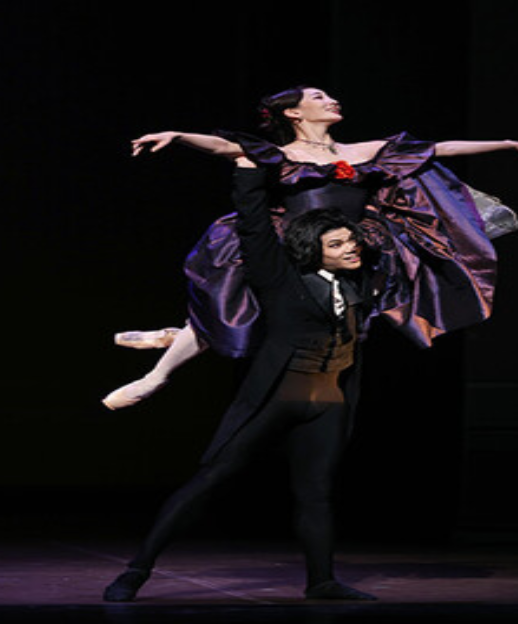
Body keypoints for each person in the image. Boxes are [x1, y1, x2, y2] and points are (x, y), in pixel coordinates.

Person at [102, 85, 518, 410]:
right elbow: (224, 147)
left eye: (329, 96)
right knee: (239, 295)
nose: (331, 100)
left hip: (349, 241)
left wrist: (510, 144)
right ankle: (157, 374)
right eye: (318, 97)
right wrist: (179, 136)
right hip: (291, 238)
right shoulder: (282, 154)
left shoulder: (365, 150)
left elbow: (441, 149)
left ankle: (185, 336)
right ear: (293, 113)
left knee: (328, 311)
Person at [103, 163, 379, 601]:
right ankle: (136, 572)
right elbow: (254, 226)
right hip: (277, 396)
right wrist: (248, 175)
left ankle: (322, 581)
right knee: (211, 479)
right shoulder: (279, 277)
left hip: (327, 402)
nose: (351, 247)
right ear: (313, 250)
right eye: (338, 243)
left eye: (350, 240)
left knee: (316, 494)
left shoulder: (358, 276)